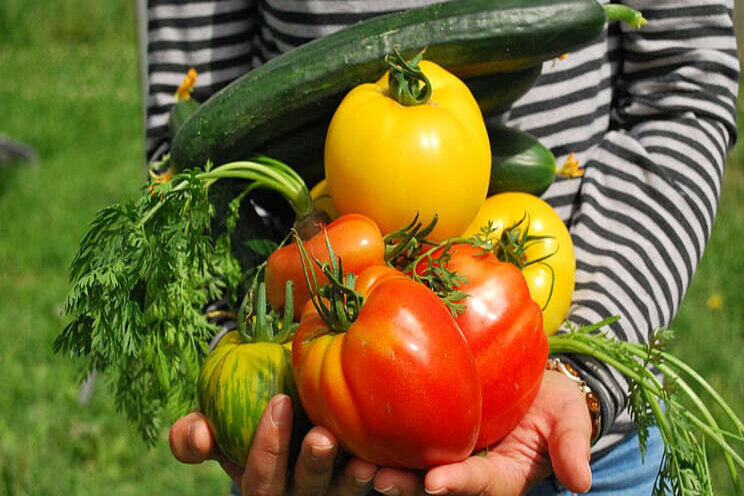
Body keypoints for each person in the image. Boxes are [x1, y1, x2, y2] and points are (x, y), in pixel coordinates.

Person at [142, 0, 740, 494]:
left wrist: (586, 370)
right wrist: (247, 366)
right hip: (318, 437)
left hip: (588, 447)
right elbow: (190, 150)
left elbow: (686, 87)